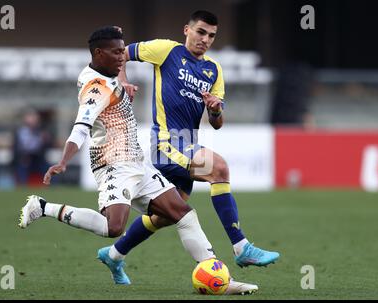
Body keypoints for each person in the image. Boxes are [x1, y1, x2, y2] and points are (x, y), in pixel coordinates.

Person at [18, 26, 257, 295]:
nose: (122, 57)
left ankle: (218, 280)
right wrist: (63, 161)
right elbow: (81, 126)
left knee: (184, 215)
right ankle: (42, 207)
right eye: (116, 52)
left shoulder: (107, 73)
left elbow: (114, 76)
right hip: (111, 164)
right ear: (99, 53)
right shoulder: (95, 89)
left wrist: (124, 82)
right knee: (113, 227)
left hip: (137, 162)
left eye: (123, 51)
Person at [116, 10, 279, 268]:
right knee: (220, 168)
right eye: (201, 32)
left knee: (167, 215)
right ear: (186, 30)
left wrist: (215, 110)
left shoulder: (213, 70)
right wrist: (122, 81)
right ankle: (241, 246)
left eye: (211, 35)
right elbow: (121, 53)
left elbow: (217, 124)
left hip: (187, 145)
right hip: (167, 143)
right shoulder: (166, 50)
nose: (205, 39)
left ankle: (114, 255)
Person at [13, 109, 51, 185]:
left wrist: (46, 140)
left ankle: (51, 186)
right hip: (25, 158)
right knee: (22, 168)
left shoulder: (41, 131)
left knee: (50, 169)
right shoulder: (21, 132)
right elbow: (17, 148)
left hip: (38, 158)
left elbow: (47, 146)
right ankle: (22, 185)